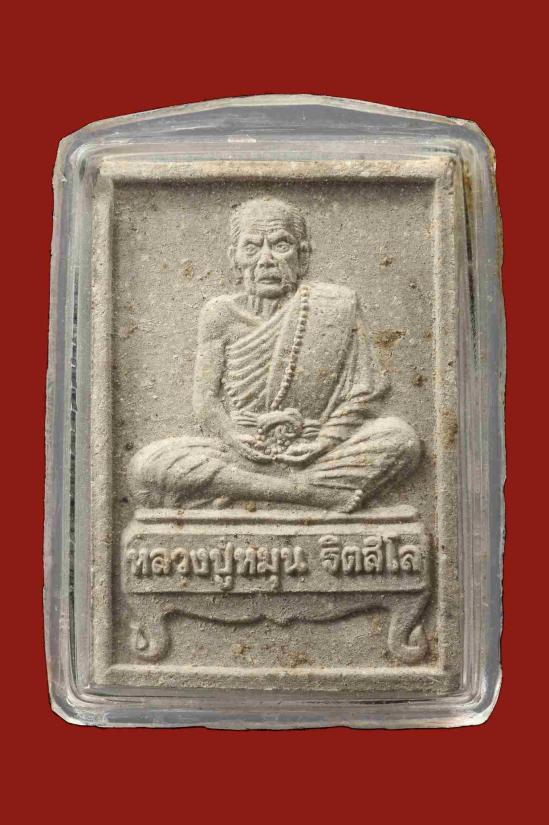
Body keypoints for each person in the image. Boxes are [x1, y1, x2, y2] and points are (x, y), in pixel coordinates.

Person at [129, 198, 420, 512]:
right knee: (148, 466)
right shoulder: (220, 314)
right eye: (252, 247)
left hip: (315, 452)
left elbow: (367, 392)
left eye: (281, 245)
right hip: (242, 453)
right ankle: (310, 494)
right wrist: (232, 435)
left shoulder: (337, 305)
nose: (266, 260)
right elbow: (206, 401)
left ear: (302, 256)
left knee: (401, 439)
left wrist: (324, 441)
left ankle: (255, 490)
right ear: (234, 258)